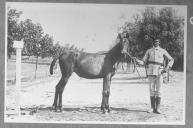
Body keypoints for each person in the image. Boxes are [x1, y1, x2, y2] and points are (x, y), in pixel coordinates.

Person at [135, 39, 174, 114]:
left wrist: (167, 68)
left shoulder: (163, 51)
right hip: (151, 72)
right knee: (151, 90)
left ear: (159, 42)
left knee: (159, 90)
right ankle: (152, 108)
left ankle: (158, 108)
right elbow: (143, 61)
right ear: (153, 42)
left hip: (160, 72)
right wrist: (137, 61)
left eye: (157, 42)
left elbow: (171, 59)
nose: (156, 43)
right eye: (154, 41)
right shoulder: (149, 51)